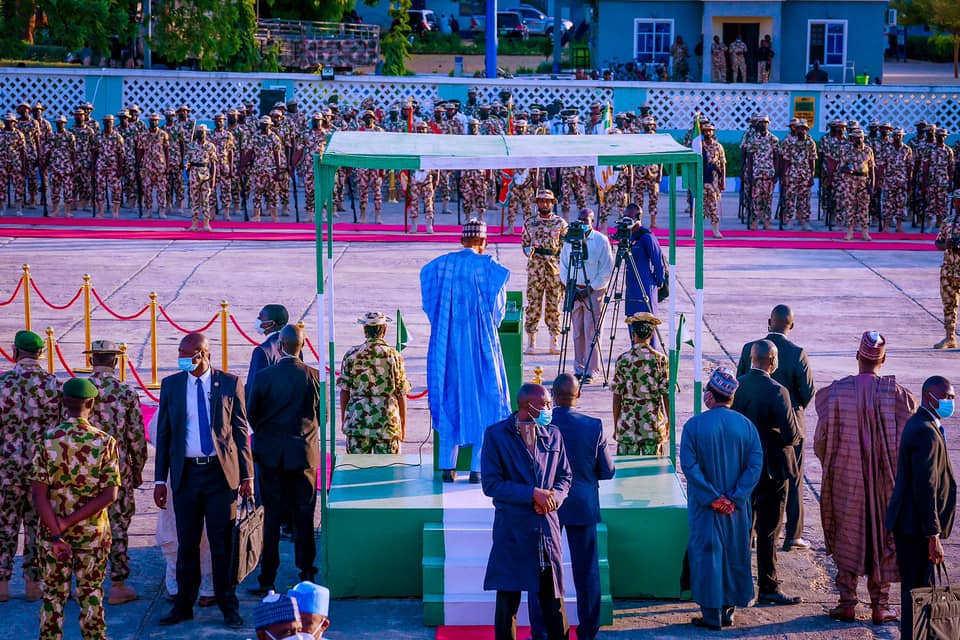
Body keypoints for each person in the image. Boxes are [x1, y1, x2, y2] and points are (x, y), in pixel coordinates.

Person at [813, 331, 917, 624]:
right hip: (887, 482)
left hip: (846, 479)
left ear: (857, 357)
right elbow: (908, 443)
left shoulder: (835, 392)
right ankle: (880, 605)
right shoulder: (899, 397)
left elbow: (821, 441)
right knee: (882, 535)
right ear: (883, 360)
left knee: (848, 530)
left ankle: (847, 602)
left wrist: (835, 465)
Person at [153, 332, 255, 629]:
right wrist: (160, 480)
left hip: (221, 477)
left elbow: (240, 431)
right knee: (188, 544)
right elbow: (164, 435)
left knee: (222, 544)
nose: (184, 359)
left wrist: (247, 476)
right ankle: (184, 605)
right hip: (186, 476)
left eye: (189, 354)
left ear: (204, 354)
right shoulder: (172, 385)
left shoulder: (229, 383)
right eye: (180, 353)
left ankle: (228, 605)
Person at [421, 219, 512, 483]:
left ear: (462, 240)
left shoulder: (440, 265)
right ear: (483, 242)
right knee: (486, 400)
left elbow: (429, 301)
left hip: (446, 344)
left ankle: (447, 467)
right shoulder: (490, 268)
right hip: (481, 345)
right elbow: (499, 311)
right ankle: (477, 468)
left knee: (449, 398)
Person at [30, 377, 120, 640]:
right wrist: (68, 523)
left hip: (51, 533)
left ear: (62, 404)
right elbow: (109, 494)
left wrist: (57, 533)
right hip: (92, 535)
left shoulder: (47, 440)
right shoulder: (104, 442)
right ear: (91, 404)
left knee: (52, 597)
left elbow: (38, 494)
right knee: (91, 594)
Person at [481, 383, 572, 640]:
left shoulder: (553, 434)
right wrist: (532, 493)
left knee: (553, 602)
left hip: (546, 530)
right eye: (544, 404)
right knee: (508, 602)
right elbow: (492, 484)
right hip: (514, 531)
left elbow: (565, 476)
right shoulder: (497, 436)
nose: (549, 409)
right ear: (528, 406)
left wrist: (554, 497)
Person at [529, 374, 614, 640]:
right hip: (581, 503)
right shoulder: (593, 426)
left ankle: (542, 631)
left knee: (542, 571)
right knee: (587, 570)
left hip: (547, 504)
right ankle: (588, 630)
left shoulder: (538, 426)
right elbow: (607, 470)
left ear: (552, 396)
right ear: (578, 396)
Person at [679, 367, 762, 630]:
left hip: (706, 509)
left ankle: (711, 615)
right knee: (735, 554)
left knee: (707, 557)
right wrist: (735, 498)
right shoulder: (747, 427)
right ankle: (729, 611)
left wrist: (713, 498)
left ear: (710, 397)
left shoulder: (694, 426)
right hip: (736, 510)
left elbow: (690, 467)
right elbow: (754, 466)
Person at [736, 304, 815, 551]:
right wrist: (790, 408)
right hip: (787, 428)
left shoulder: (750, 348)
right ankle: (793, 535)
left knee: (750, 478)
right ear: (791, 325)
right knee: (793, 479)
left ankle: (749, 534)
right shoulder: (798, 353)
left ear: (769, 321)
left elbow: (740, 381)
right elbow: (807, 391)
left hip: (752, 422)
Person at [248, 325, 321, 593]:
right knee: (304, 517)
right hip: (303, 455)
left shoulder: (265, 376)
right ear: (301, 346)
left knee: (271, 518)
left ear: (280, 346)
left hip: (271, 456)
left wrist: (269, 436)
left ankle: (267, 578)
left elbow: (252, 413)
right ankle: (307, 574)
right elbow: (320, 415)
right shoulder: (313, 376)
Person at [731, 341, 802, 606]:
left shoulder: (738, 386)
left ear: (752, 359)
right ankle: (768, 585)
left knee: (743, 528)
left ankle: (739, 585)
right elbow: (791, 436)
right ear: (772, 361)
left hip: (743, 468)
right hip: (772, 469)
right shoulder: (778, 391)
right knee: (769, 531)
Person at [886, 376, 956, 637]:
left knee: (915, 591)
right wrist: (933, 536)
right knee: (917, 592)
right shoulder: (925, 431)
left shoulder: (926, 424)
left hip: (913, 524)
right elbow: (924, 488)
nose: (950, 402)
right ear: (929, 397)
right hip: (915, 528)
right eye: (946, 397)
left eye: (952, 397)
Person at [84, 340, 148, 605]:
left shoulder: (77, 390)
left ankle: (87, 583)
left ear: (91, 361)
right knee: (118, 525)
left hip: (82, 470)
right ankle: (118, 584)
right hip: (116, 470)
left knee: (85, 524)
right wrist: (138, 469)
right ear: (116, 362)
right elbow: (136, 438)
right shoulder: (126, 391)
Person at [0, 330, 60, 603]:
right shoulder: (53, 385)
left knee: (5, 526)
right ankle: (33, 584)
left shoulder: (3, 384)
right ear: (40, 354)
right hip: (41, 471)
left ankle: (1, 583)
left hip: (7, 468)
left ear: (15, 352)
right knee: (36, 526)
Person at [338, 312, 410, 454]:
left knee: (356, 472)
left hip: (357, 422)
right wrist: (402, 425)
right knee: (387, 473)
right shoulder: (394, 356)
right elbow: (401, 393)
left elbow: (344, 391)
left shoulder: (352, 354)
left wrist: (345, 420)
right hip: (387, 423)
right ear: (384, 330)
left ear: (364, 330)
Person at [559, 208, 613, 384]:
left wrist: (590, 289)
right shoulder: (570, 239)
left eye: (586, 220)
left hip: (593, 292)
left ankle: (591, 370)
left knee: (592, 332)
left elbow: (606, 270)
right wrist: (570, 286)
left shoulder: (601, 241)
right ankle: (579, 369)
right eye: (580, 219)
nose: (582, 223)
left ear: (592, 221)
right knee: (577, 332)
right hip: (575, 290)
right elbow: (564, 265)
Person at [612, 312, 669, 455]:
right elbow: (666, 396)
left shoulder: (623, 359)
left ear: (633, 334)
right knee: (653, 473)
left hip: (628, 426)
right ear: (652, 335)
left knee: (626, 473)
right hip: (652, 426)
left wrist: (616, 426)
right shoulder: (660, 359)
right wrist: (670, 423)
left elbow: (617, 397)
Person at [523, 190, 568, 355]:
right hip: (536, 267)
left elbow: (566, 245)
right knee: (533, 303)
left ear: (552, 203)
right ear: (537, 203)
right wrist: (528, 251)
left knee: (554, 304)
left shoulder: (560, 223)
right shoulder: (530, 222)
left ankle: (554, 340)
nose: (545, 204)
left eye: (548, 201)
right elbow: (525, 243)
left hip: (554, 268)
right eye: (542, 201)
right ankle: (531, 341)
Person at [247, 304, 291, 401]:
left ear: (271, 324)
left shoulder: (262, 351)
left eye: (261, 317)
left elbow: (253, 387)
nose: (258, 320)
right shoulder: (293, 345)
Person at [934, 191, 960, 349]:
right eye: (956, 202)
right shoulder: (948, 221)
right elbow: (937, 242)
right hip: (949, 270)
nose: (957, 205)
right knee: (948, 304)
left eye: (959, 201)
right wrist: (947, 245)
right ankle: (949, 337)